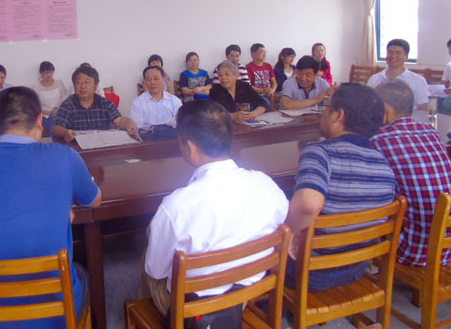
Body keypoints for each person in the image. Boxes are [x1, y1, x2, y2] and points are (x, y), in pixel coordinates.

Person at [0, 87, 100, 329]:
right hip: (55, 313)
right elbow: (94, 200)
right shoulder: (65, 156)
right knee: (82, 272)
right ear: (39, 121)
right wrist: (63, 202)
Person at [142, 100, 288, 316]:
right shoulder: (267, 185)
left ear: (190, 147)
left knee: (148, 255)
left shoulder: (176, 207)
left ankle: (149, 316)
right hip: (248, 292)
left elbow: (156, 271)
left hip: (194, 308)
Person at [284, 83, 395, 291]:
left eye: (327, 107)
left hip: (311, 272)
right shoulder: (383, 163)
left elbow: (308, 204)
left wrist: (290, 236)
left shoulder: (319, 152)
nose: (324, 113)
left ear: (338, 115)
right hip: (356, 268)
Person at [371, 80, 451, 266]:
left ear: (384, 110)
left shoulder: (378, 140)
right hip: (447, 246)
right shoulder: (431, 132)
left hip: (413, 250)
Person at [53, 65, 137, 142]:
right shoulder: (67, 104)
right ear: (74, 85)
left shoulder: (105, 103)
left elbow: (119, 120)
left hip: (101, 145)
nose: (83, 86)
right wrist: (65, 132)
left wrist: (129, 123)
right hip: (76, 148)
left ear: (96, 86)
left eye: (87, 82)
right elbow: (56, 128)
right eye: (78, 82)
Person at [366, 38, 428, 110]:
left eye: (398, 53)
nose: (393, 56)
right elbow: (367, 103)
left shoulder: (418, 81)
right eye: (390, 52)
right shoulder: (374, 79)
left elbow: (423, 107)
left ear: (406, 57)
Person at [32, 61, 67, 135]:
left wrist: (58, 110)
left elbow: (65, 99)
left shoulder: (59, 83)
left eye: (51, 72)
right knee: (52, 117)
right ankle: (52, 138)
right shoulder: (36, 87)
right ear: (41, 73)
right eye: (46, 72)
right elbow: (35, 106)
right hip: (44, 115)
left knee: (55, 115)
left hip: (59, 112)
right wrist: (49, 112)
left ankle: (51, 138)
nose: (49, 75)